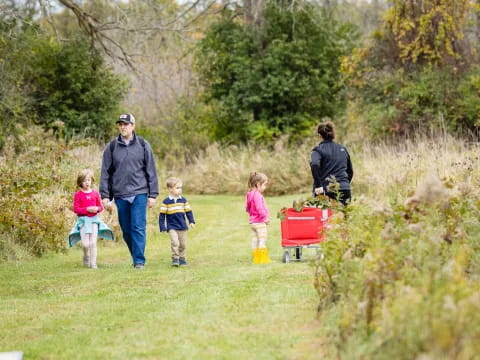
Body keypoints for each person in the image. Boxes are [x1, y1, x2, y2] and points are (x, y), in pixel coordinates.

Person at [99, 113, 159, 269]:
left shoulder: (143, 145)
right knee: (126, 230)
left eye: (126, 124)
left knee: (138, 227)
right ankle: (136, 256)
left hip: (140, 192)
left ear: (133, 126)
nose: (122, 127)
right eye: (120, 124)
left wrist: (153, 194)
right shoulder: (111, 147)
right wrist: (105, 196)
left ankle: (139, 261)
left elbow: (151, 171)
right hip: (120, 194)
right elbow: (105, 172)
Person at [68, 169, 114, 269]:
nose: (87, 183)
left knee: (93, 242)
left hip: (94, 220)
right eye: (84, 181)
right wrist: (87, 209)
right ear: (80, 182)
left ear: (92, 181)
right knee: (85, 244)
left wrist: (97, 209)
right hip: (83, 222)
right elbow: (76, 209)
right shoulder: (78, 195)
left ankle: (93, 264)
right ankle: (86, 256)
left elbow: (101, 207)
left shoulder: (95, 194)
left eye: (88, 180)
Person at [310, 121, 353, 206]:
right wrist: (344, 183)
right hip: (345, 189)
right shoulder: (343, 149)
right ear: (333, 134)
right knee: (344, 217)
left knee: (325, 218)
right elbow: (350, 171)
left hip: (326, 191)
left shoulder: (317, 150)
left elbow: (314, 164)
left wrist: (318, 186)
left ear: (319, 135)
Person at [159, 177, 195, 267]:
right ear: (170, 189)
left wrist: (191, 221)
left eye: (180, 187)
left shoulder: (183, 200)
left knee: (183, 244)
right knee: (175, 242)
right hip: (172, 227)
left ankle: (182, 258)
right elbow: (162, 215)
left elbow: (188, 212)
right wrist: (162, 226)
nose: (180, 190)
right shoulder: (166, 201)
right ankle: (175, 258)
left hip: (182, 226)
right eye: (177, 188)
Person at [245, 172, 271, 264]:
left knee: (255, 240)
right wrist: (265, 218)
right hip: (260, 222)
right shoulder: (257, 195)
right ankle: (262, 259)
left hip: (253, 223)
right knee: (262, 239)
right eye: (264, 185)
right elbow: (260, 208)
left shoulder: (249, 194)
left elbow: (247, 208)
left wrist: (252, 215)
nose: (265, 187)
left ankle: (256, 258)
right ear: (257, 184)